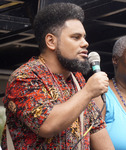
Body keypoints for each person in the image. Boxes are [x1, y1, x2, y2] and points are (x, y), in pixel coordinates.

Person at [1, 2, 114, 150]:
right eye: (76, 37)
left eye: (84, 37)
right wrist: (88, 92)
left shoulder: (78, 81)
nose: (85, 43)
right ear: (51, 41)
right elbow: (47, 125)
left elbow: (98, 130)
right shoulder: (25, 77)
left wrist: (87, 92)